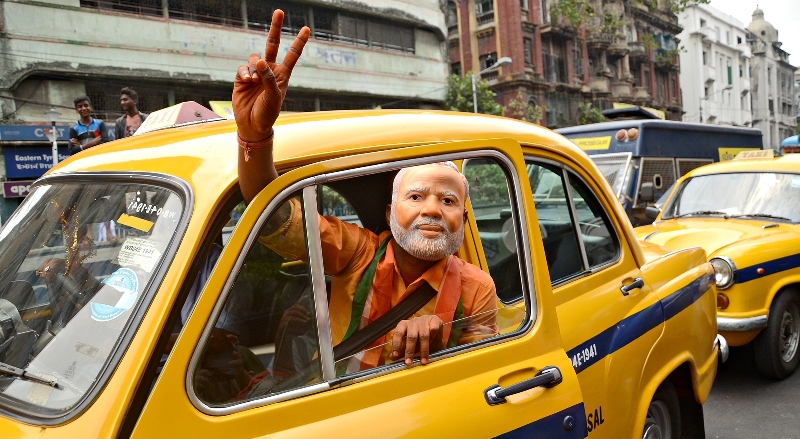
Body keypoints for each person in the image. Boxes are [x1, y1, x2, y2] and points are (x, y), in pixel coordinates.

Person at [232, 10, 498, 371]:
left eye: (448, 200)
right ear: (390, 215)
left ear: (463, 220)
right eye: (416, 197)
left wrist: (443, 342)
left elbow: (481, 378)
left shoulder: (477, 288)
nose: (433, 210)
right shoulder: (357, 254)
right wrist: (254, 136)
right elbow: (274, 215)